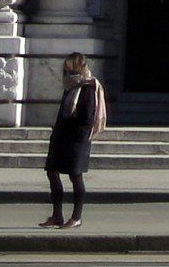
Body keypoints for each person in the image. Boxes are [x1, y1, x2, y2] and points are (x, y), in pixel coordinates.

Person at [42, 50, 106, 227]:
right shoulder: (70, 86)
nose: (66, 71)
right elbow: (63, 112)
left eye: (69, 67)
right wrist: (56, 133)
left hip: (77, 140)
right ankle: (57, 215)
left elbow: (87, 118)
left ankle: (76, 217)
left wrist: (72, 133)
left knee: (75, 176)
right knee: (52, 172)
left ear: (78, 67)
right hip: (61, 137)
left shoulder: (88, 87)